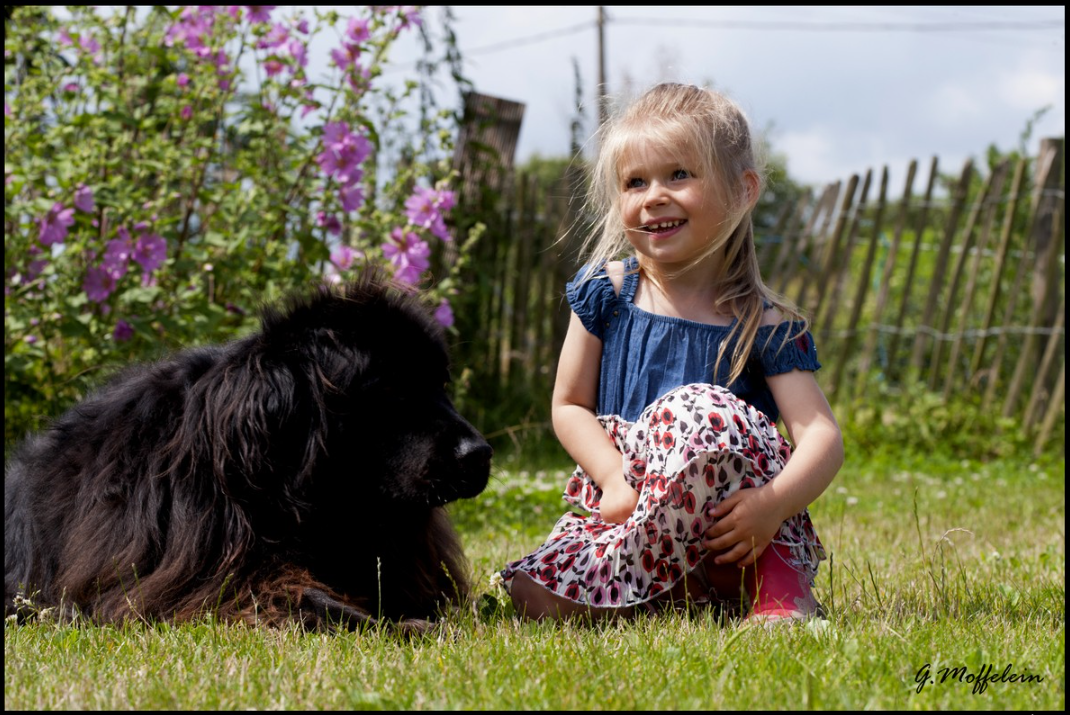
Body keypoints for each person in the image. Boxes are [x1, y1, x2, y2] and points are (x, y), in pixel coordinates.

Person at [498, 82, 844, 625]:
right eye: (635, 182)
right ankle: (667, 592)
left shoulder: (762, 321)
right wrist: (612, 477)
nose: (654, 195)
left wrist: (771, 506)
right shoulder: (606, 291)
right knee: (529, 593)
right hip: (637, 511)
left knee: (697, 408)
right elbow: (568, 405)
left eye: (679, 174)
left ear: (741, 191)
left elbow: (821, 435)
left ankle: (775, 587)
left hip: (737, 529)